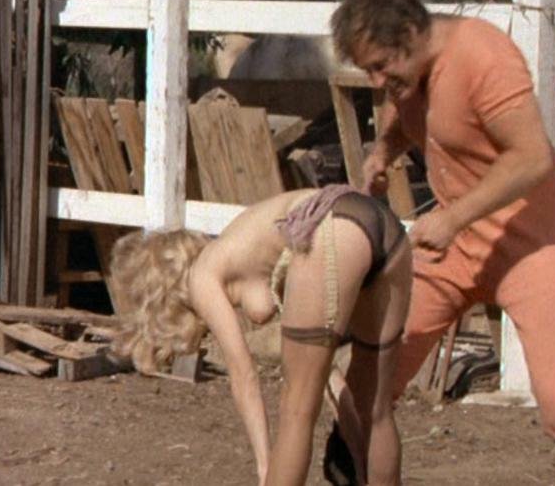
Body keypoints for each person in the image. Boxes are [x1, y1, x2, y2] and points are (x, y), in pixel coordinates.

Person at [330, 0, 555, 486]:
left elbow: (532, 156)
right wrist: (383, 151)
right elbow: (407, 115)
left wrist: (454, 218)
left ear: (410, 32)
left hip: (530, 241)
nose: (377, 81)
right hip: (456, 244)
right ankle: (349, 468)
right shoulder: (408, 75)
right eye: (368, 71)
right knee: (369, 378)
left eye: (380, 66)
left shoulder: (483, 55)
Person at [111, 186, 412, 486]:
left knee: (296, 411)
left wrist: (264, 466)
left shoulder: (201, 276)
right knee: (375, 409)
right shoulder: (242, 245)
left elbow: (245, 377)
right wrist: (354, 441)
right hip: (380, 223)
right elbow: (328, 373)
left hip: (327, 226)